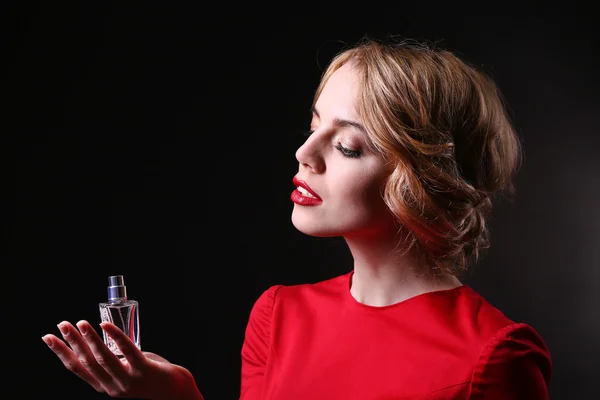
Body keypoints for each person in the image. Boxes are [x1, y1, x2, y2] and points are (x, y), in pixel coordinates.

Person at [42, 36, 552, 399]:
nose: (306, 151)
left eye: (349, 145)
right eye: (313, 125)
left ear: (424, 178)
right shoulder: (278, 316)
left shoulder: (494, 358)